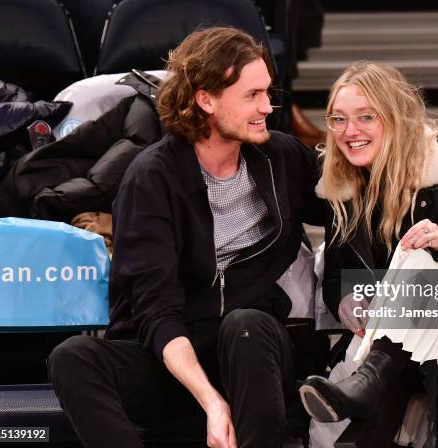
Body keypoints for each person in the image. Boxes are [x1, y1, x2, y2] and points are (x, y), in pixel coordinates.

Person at [49, 27, 322, 448]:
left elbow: (354, 210)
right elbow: (156, 311)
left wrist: (350, 288)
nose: (268, 107)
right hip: (171, 360)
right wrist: (211, 402)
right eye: (252, 95)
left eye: (268, 92)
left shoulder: (282, 157)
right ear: (206, 99)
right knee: (73, 358)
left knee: (246, 325)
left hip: (249, 357)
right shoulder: (151, 179)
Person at [299, 61, 438, 447]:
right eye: (338, 119)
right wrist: (349, 304)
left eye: (366, 117)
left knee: (420, 262)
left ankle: (369, 383)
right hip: (394, 341)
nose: (349, 132)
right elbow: (336, 278)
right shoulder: (343, 182)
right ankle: (370, 384)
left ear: (396, 117)